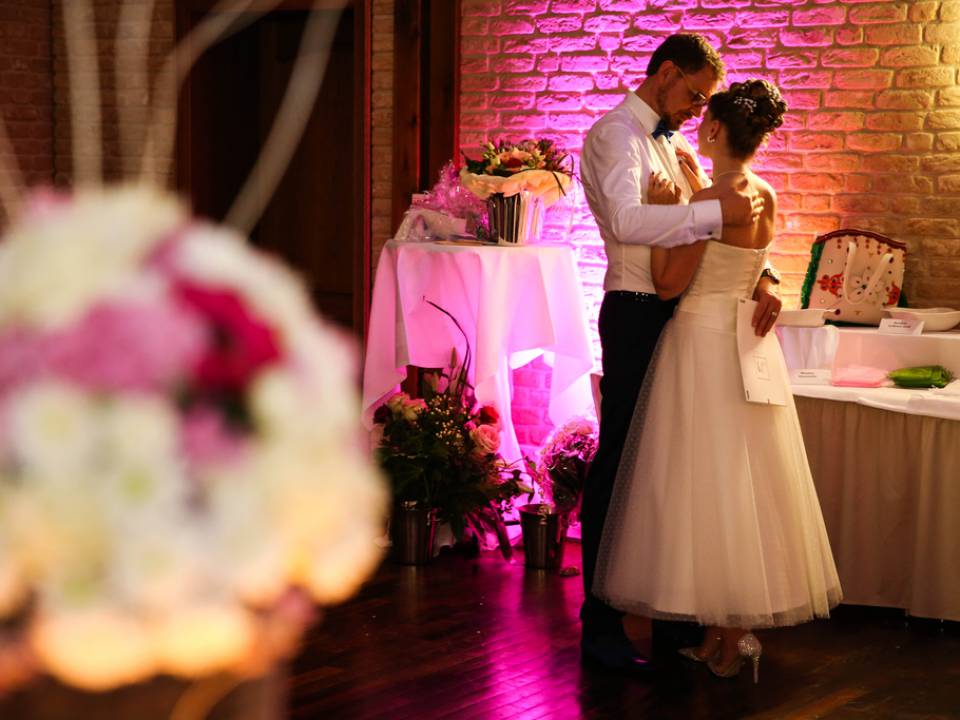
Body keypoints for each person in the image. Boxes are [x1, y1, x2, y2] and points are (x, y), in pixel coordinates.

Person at [592, 79, 842, 683]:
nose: (694, 115)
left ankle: (723, 633)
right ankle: (728, 633)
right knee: (738, 483)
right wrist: (764, 279)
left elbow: (671, 282)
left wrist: (667, 208)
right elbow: (754, 258)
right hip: (742, 347)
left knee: (698, 485)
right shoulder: (765, 191)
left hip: (699, 341)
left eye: (705, 110)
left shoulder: (710, 193)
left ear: (715, 130)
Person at [578, 33, 782, 672]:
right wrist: (710, 216)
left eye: (703, 100)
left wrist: (765, 276)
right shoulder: (616, 135)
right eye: (693, 93)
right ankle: (601, 621)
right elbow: (628, 222)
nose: (698, 109)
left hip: (681, 314)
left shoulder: (675, 141)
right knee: (621, 462)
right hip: (638, 311)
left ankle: (671, 613)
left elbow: (729, 233)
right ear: (665, 73)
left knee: (671, 467)